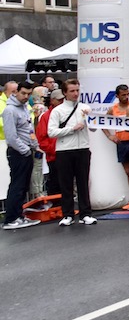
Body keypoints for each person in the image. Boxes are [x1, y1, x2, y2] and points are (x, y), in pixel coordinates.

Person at [48, 79, 96, 226]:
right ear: (65, 93)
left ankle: (85, 214)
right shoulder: (58, 110)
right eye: (72, 91)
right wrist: (72, 129)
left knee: (83, 182)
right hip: (64, 150)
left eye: (77, 90)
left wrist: (90, 119)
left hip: (82, 148)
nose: (76, 93)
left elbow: (94, 129)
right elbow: (51, 132)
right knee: (66, 184)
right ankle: (68, 214)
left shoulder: (85, 107)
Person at [2, 81, 41, 230]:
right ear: (15, 92)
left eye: (28, 94)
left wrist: (35, 145)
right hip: (18, 152)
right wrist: (25, 150)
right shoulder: (10, 110)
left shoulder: (25, 108)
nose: (26, 97)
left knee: (23, 186)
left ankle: (18, 215)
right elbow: (11, 137)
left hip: (26, 150)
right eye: (23, 93)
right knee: (17, 185)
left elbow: (29, 129)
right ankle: (11, 218)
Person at [105, 84, 129, 209]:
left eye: (127, 94)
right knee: (128, 172)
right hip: (121, 142)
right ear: (117, 96)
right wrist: (109, 136)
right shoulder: (113, 109)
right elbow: (102, 121)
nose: (126, 97)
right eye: (123, 95)